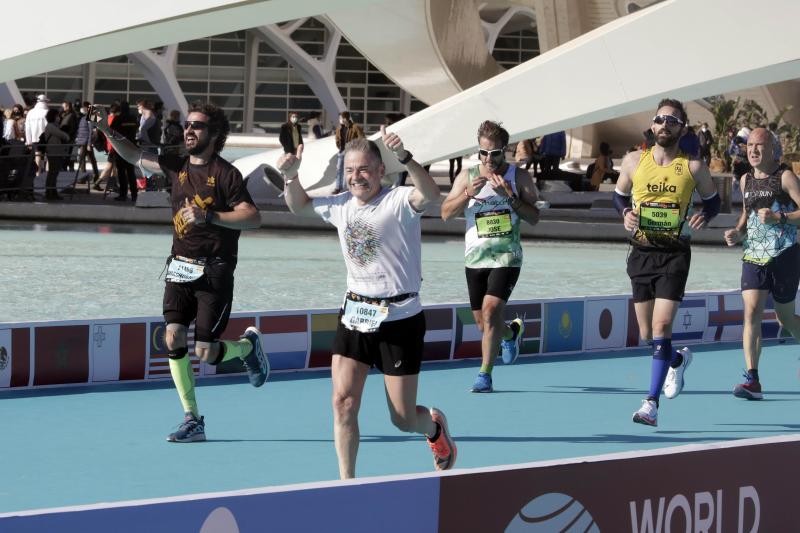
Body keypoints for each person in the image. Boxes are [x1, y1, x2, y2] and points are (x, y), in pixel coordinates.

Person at [275, 127, 456, 479]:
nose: (356, 177)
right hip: (356, 313)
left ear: (379, 172)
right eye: (349, 171)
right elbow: (298, 206)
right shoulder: (340, 204)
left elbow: (431, 195)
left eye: (363, 170)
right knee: (343, 403)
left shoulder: (400, 200)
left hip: (401, 317)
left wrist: (405, 157)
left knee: (402, 419)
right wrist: (291, 176)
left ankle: (433, 429)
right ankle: (347, 483)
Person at [91, 102, 269, 442]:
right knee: (172, 336)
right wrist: (106, 130)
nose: (189, 130)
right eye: (188, 125)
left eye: (198, 126)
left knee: (207, 352)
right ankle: (192, 418)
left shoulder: (227, 174)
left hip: (214, 270)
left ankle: (247, 348)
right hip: (179, 266)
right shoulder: (176, 165)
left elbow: (253, 217)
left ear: (214, 135)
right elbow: (132, 156)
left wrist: (211, 217)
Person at [613, 98, 720, 426]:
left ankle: (651, 404)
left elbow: (713, 201)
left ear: (682, 128)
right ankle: (677, 360)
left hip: (674, 255)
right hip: (641, 253)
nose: (664, 125)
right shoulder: (633, 161)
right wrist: (626, 213)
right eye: (660, 119)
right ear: (653, 124)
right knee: (648, 333)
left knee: (662, 327)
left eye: (672, 121)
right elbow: (618, 195)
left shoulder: (694, 167)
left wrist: (705, 215)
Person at [441, 121, 541, 393]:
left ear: (505, 151)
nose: (488, 159)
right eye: (483, 153)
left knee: (490, 310)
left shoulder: (518, 178)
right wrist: (466, 195)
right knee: (483, 323)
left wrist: (509, 197)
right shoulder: (467, 176)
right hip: (475, 258)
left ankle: (484, 375)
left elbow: (534, 218)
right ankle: (511, 334)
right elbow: (445, 213)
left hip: (507, 256)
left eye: (494, 153)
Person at [723, 128, 800, 400]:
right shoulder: (745, 180)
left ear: (772, 150)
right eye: (750, 145)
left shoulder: (785, 177)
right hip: (754, 256)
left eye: (759, 146)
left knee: (786, 318)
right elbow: (747, 212)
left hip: (785, 256)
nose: (753, 150)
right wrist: (737, 232)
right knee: (752, 312)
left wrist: (780, 218)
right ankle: (752, 379)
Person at [41, 108, 71, 200]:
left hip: (56, 152)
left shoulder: (54, 125)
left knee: (54, 172)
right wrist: (67, 136)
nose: (59, 117)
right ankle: (50, 191)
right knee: (53, 172)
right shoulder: (50, 126)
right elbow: (64, 136)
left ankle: (52, 191)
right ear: (53, 116)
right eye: (57, 115)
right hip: (53, 152)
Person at [333, 111, 364, 193]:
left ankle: (344, 188)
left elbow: (361, 138)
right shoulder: (339, 128)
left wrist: (356, 148)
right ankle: (337, 187)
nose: (340, 120)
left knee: (346, 170)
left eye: (341, 118)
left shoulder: (355, 127)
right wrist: (339, 146)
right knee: (338, 169)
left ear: (346, 118)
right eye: (339, 118)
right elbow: (337, 138)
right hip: (341, 151)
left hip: (350, 152)